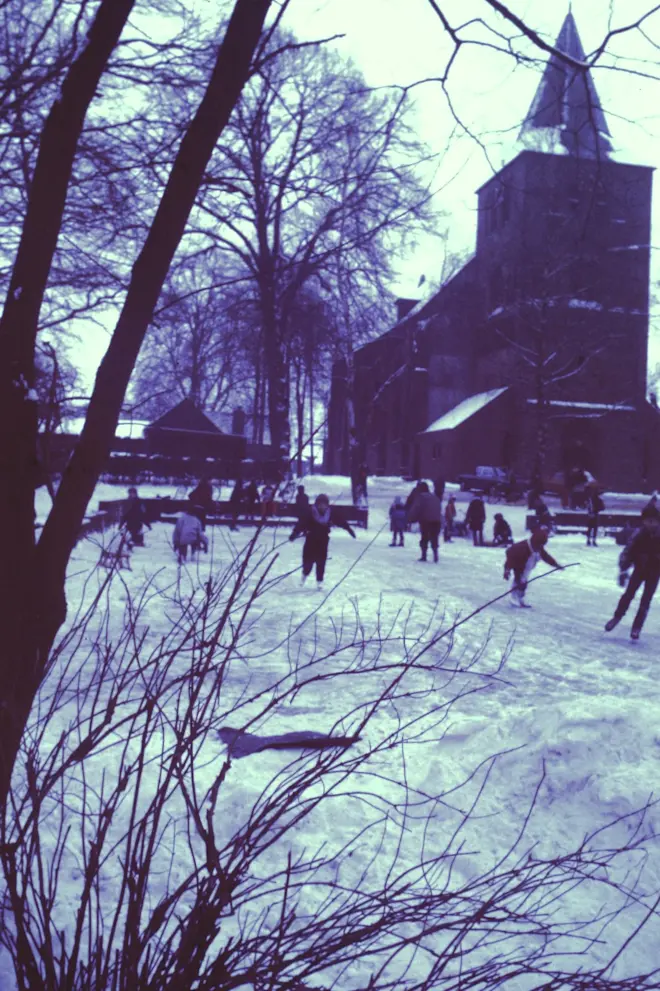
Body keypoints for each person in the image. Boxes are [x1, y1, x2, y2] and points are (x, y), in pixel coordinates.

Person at [605, 505, 660, 640]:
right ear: (643, 521)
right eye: (648, 521)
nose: (650, 524)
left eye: (653, 521)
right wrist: (623, 569)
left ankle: (637, 627)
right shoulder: (639, 535)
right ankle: (617, 617)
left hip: (654, 573)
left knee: (645, 600)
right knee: (628, 594)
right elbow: (628, 551)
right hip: (639, 570)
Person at [289, 493, 356, 588]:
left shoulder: (330, 513)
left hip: (323, 540)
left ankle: (319, 581)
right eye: (320, 504)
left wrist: (349, 529)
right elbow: (301, 524)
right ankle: (304, 576)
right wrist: (294, 534)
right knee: (308, 561)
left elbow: (341, 521)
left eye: (324, 505)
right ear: (316, 504)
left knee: (321, 561)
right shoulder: (310, 513)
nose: (322, 507)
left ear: (327, 505)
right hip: (310, 540)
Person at [503, 526, 563, 608]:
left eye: (542, 545)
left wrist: (556, 565)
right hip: (519, 563)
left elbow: (546, 557)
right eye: (539, 545)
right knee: (519, 580)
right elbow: (510, 557)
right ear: (534, 543)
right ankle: (514, 598)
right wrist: (507, 570)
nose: (540, 547)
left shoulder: (538, 547)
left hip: (528, 564)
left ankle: (520, 599)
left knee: (523, 582)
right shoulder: (521, 548)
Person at [407, 481, 442, 562]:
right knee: (434, 538)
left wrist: (410, 519)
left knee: (424, 538)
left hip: (426, 520)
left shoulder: (421, 497)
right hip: (437, 521)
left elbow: (416, 509)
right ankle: (435, 555)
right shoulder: (434, 497)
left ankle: (424, 556)